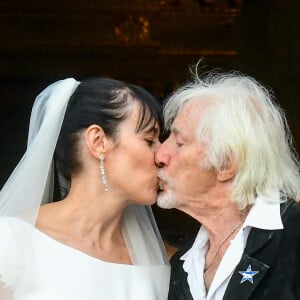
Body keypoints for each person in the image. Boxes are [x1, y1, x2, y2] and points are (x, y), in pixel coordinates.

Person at [0, 77, 170, 299]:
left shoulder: (155, 262)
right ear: (98, 141)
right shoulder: (12, 242)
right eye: (150, 141)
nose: (162, 154)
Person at [155, 71, 300, 299]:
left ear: (225, 165)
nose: (160, 154)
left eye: (179, 142)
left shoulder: (293, 236)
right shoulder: (182, 266)